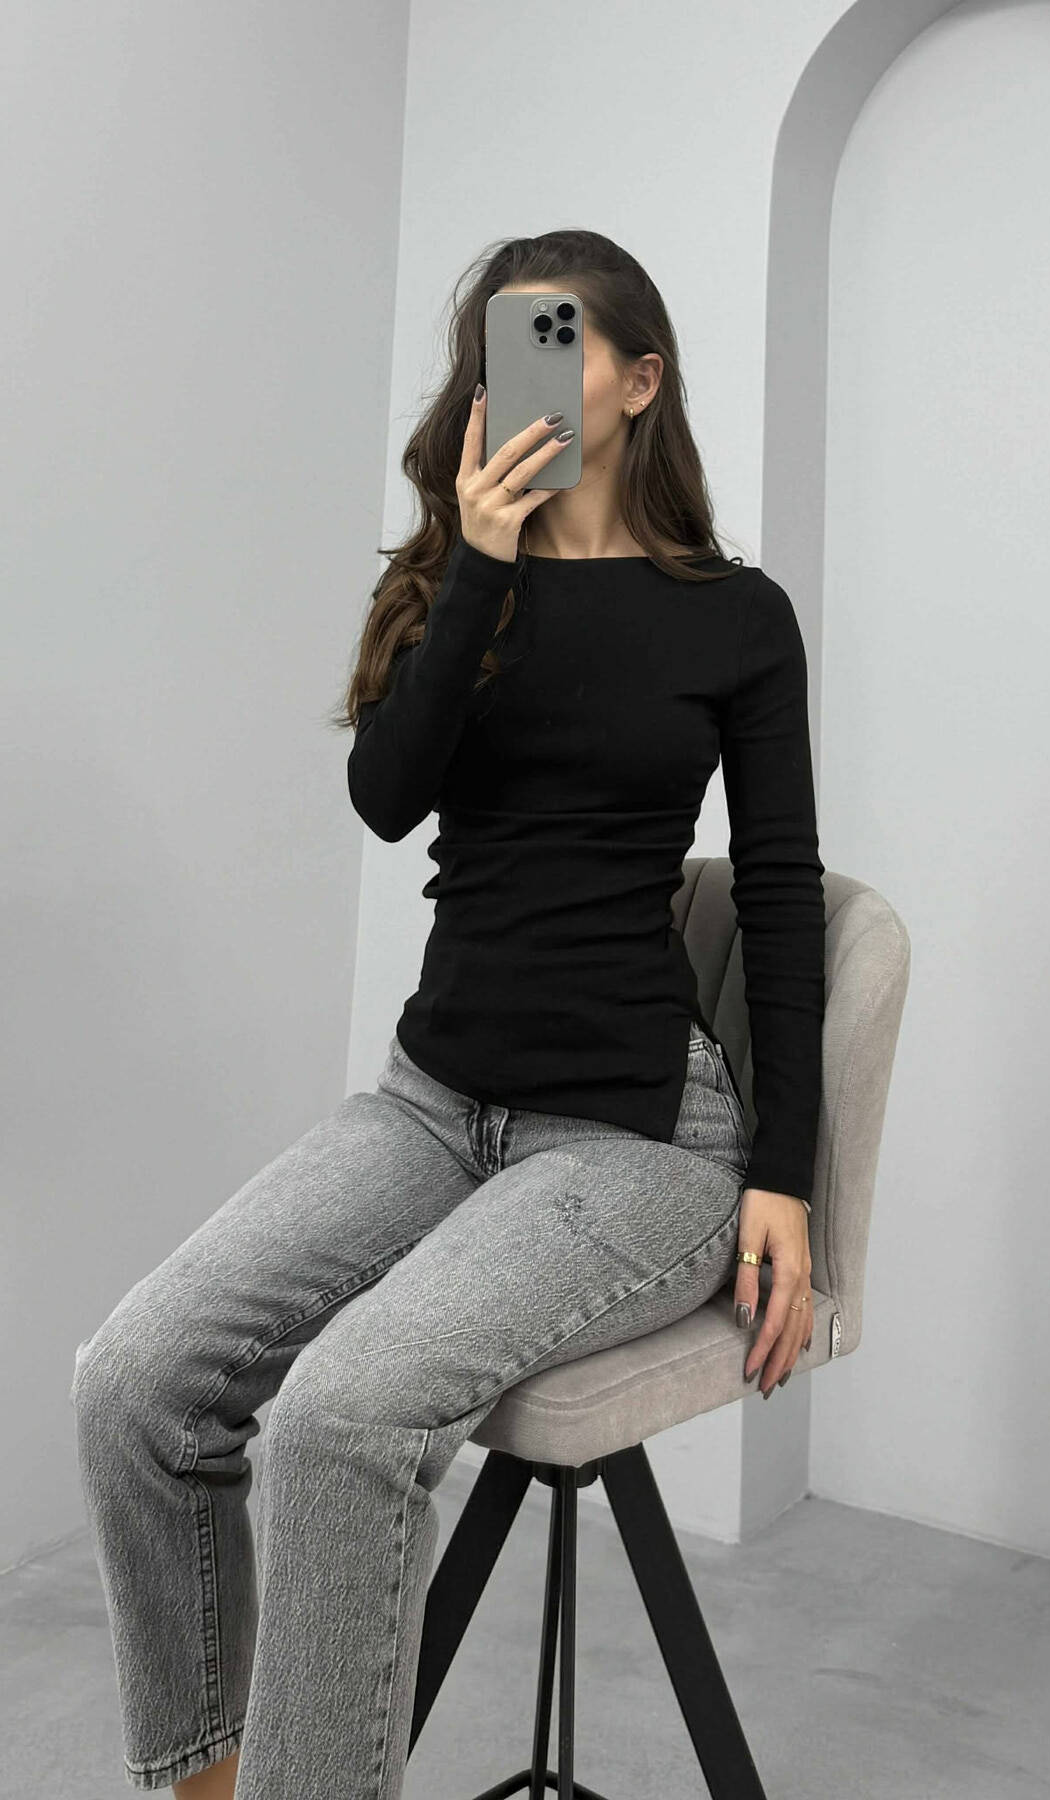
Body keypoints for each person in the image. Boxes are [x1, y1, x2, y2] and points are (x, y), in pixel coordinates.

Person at [70, 229, 825, 1798]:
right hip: (432, 1107)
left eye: (553, 340)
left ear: (640, 379)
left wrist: (788, 1178)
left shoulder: (735, 618)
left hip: (635, 1139)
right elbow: (384, 798)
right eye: (496, 347)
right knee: (137, 1383)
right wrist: (480, 561)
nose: (511, 372)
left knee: (339, 1419)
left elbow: (777, 896)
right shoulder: (455, 577)